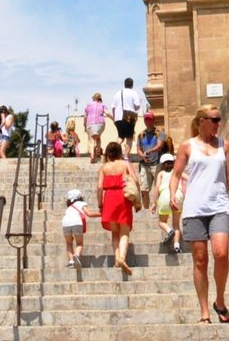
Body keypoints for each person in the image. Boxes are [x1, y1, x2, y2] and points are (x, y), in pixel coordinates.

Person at [169, 103, 229, 324]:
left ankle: (219, 301)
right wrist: (173, 194)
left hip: (219, 206)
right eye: (214, 119)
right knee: (200, 260)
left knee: (221, 254)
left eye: (219, 119)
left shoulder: (225, 145)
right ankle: (204, 311)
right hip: (194, 208)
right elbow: (176, 173)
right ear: (202, 121)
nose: (219, 123)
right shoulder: (187, 146)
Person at [97, 140, 135, 276]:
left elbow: (100, 187)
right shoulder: (125, 164)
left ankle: (116, 258)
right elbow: (135, 180)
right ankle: (122, 258)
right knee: (124, 231)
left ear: (107, 154)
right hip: (123, 197)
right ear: (120, 153)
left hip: (109, 198)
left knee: (114, 232)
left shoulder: (104, 168)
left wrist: (100, 204)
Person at [60, 188, 94, 269]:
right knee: (79, 243)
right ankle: (76, 255)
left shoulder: (69, 207)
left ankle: (71, 261)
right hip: (77, 222)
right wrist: (101, 214)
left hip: (65, 223)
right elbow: (89, 214)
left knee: (69, 243)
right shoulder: (81, 203)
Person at [137, 112, 169, 194]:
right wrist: (143, 156)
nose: (148, 122)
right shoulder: (141, 135)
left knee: (159, 189)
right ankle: (147, 207)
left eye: (150, 120)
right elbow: (138, 150)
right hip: (145, 164)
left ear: (154, 120)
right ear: (144, 121)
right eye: (146, 120)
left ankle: (157, 205)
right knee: (143, 190)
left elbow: (159, 146)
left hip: (157, 164)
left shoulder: (160, 133)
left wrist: (149, 151)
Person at [153, 152, 178, 252]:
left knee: (161, 222)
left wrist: (154, 203)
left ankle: (169, 230)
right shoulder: (177, 172)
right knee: (176, 224)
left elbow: (157, 187)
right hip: (177, 198)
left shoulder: (161, 174)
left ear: (162, 164)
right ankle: (177, 246)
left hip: (164, 198)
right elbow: (188, 178)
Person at [111, 78, 143, 146]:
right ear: (132, 85)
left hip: (118, 118)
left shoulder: (118, 93)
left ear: (124, 84)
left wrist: (114, 118)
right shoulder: (134, 93)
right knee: (129, 137)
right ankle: (126, 156)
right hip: (129, 118)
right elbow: (137, 106)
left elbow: (113, 107)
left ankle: (115, 150)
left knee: (120, 137)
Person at [83, 92, 107, 162]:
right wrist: (113, 118)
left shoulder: (89, 105)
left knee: (92, 140)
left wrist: (84, 124)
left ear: (93, 98)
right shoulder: (102, 105)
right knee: (98, 138)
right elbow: (107, 113)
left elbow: (85, 117)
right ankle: (98, 153)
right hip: (100, 124)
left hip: (90, 123)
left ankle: (92, 156)